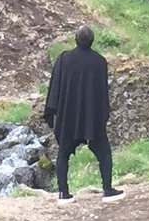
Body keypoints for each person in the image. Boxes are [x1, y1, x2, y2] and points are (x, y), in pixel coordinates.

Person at [42, 26, 120, 200]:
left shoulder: (64, 60)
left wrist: (53, 112)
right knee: (104, 152)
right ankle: (107, 190)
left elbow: (54, 88)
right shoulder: (100, 61)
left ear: (75, 40)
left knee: (63, 154)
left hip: (68, 117)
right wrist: (102, 115)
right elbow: (102, 94)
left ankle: (63, 194)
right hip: (91, 117)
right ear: (92, 41)